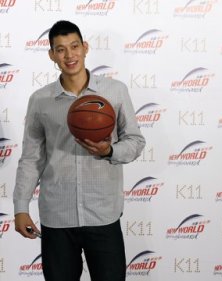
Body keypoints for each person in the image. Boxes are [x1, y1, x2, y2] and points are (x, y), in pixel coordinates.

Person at [13, 20, 145, 281]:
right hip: (57, 217)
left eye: (74, 46)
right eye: (60, 49)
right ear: (52, 55)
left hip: (103, 214)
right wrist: (20, 208)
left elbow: (135, 142)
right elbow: (31, 158)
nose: (69, 55)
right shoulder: (40, 100)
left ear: (85, 48)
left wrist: (109, 151)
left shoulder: (115, 91)